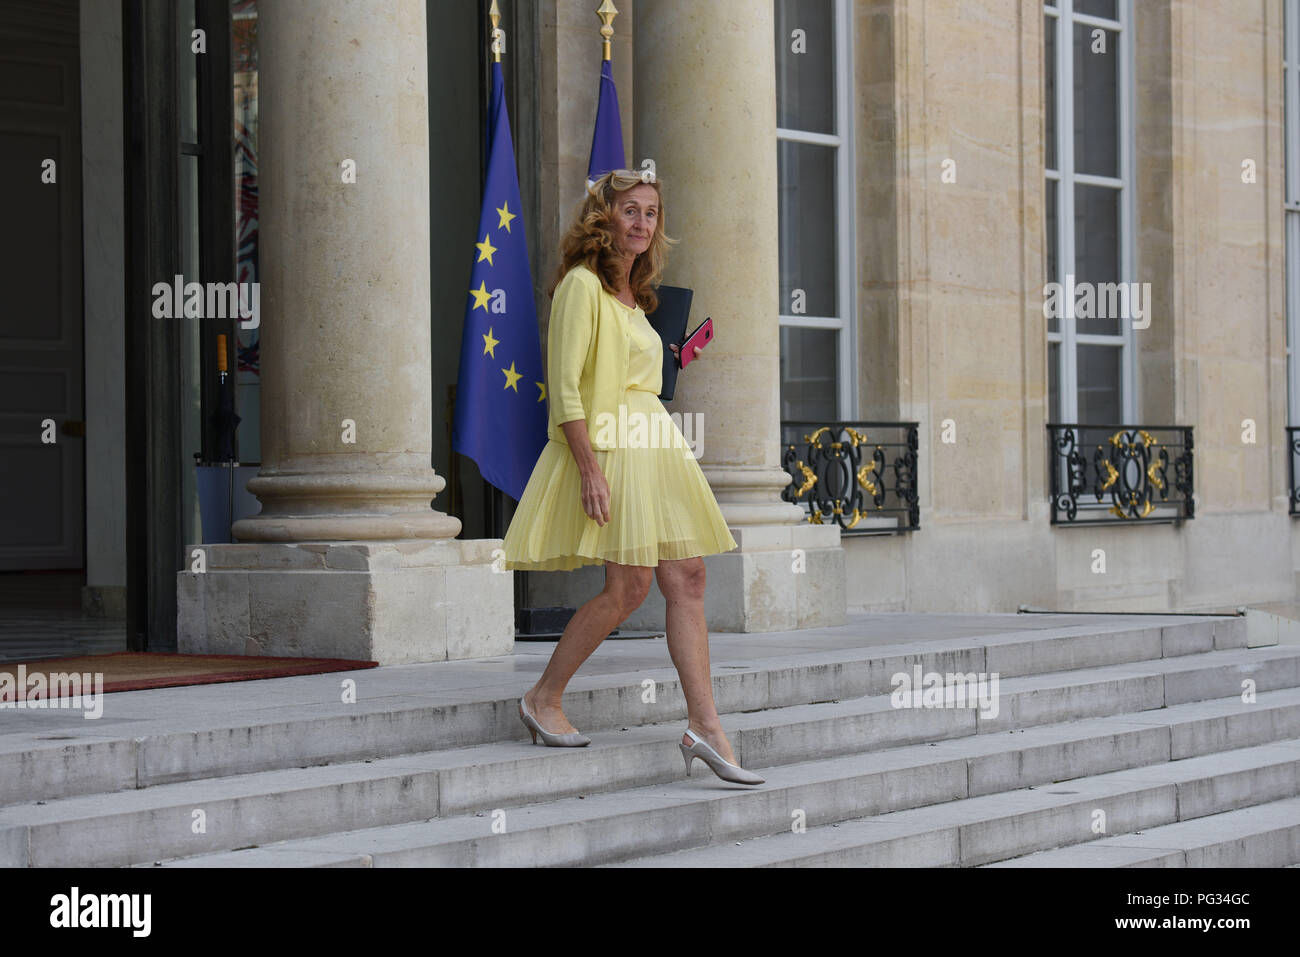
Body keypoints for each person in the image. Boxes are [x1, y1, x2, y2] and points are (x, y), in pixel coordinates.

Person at [502, 167, 763, 785]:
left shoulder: (637, 297)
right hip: (612, 447)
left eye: (651, 212)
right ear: (604, 218)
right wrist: (589, 468)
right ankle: (542, 697)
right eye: (630, 210)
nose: (642, 222)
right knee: (628, 588)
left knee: (688, 576)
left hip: (654, 445)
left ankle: (705, 726)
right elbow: (566, 388)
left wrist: (667, 357)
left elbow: (634, 376)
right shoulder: (581, 286)